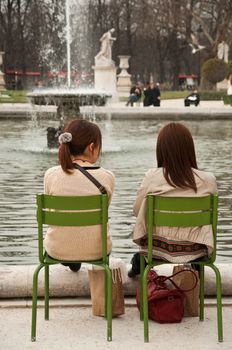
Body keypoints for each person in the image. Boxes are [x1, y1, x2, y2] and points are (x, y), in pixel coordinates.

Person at [128, 122, 217, 277]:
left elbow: (136, 211)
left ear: (161, 150)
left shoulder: (152, 177)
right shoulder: (208, 179)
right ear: (190, 148)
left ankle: (139, 262)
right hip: (196, 250)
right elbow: (210, 216)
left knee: (142, 250)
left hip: (156, 249)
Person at [44, 118, 115, 272]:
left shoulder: (51, 175)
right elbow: (104, 210)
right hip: (97, 249)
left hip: (57, 249)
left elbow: (52, 213)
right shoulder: (107, 177)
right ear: (91, 147)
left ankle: (71, 258)